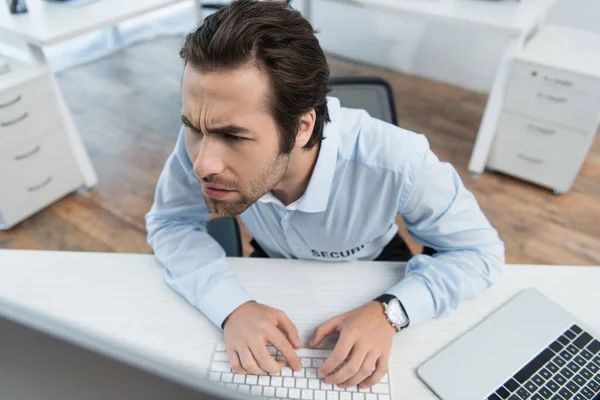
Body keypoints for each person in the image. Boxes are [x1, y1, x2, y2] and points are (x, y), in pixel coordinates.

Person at [145, 0, 505, 390]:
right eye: (193, 125)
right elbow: (169, 221)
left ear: (301, 127)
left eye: (233, 136)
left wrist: (393, 312)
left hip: (373, 267)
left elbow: (480, 254)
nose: (202, 164)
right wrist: (230, 306)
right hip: (273, 265)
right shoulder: (199, 142)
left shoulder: (399, 161)